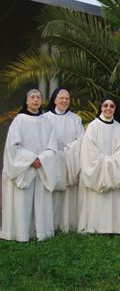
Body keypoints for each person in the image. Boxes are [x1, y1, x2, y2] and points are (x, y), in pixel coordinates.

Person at [1, 89, 58, 241]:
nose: (35, 100)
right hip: (24, 168)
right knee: (22, 203)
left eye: (38, 97)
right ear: (26, 101)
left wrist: (42, 159)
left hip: (41, 167)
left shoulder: (47, 121)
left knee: (41, 203)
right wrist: (31, 160)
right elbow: (13, 147)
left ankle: (41, 233)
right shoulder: (19, 120)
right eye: (32, 97)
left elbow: (53, 147)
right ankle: (21, 234)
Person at [78, 96, 120, 234]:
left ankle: (114, 228)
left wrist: (113, 161)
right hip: (97, 171)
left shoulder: (119, 128)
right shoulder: (93, 126)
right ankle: (95, 227)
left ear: (115, 109)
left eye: (112, 106)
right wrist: (106, 162)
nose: (108, 109)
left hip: (113, 169)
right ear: (101, 107)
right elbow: (89, 151)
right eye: (105, 105)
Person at [44, 88, 84, 232]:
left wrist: (69, 150)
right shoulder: (45, 118)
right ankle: (51, 225)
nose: (64, 101)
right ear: (54, 100)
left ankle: (68, 225)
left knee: (69, 195)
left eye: (67, 98)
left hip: (70, 161)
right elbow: (44, 139)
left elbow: (81, 140)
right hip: (53, 161)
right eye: (61, 98)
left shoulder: (76, 119)